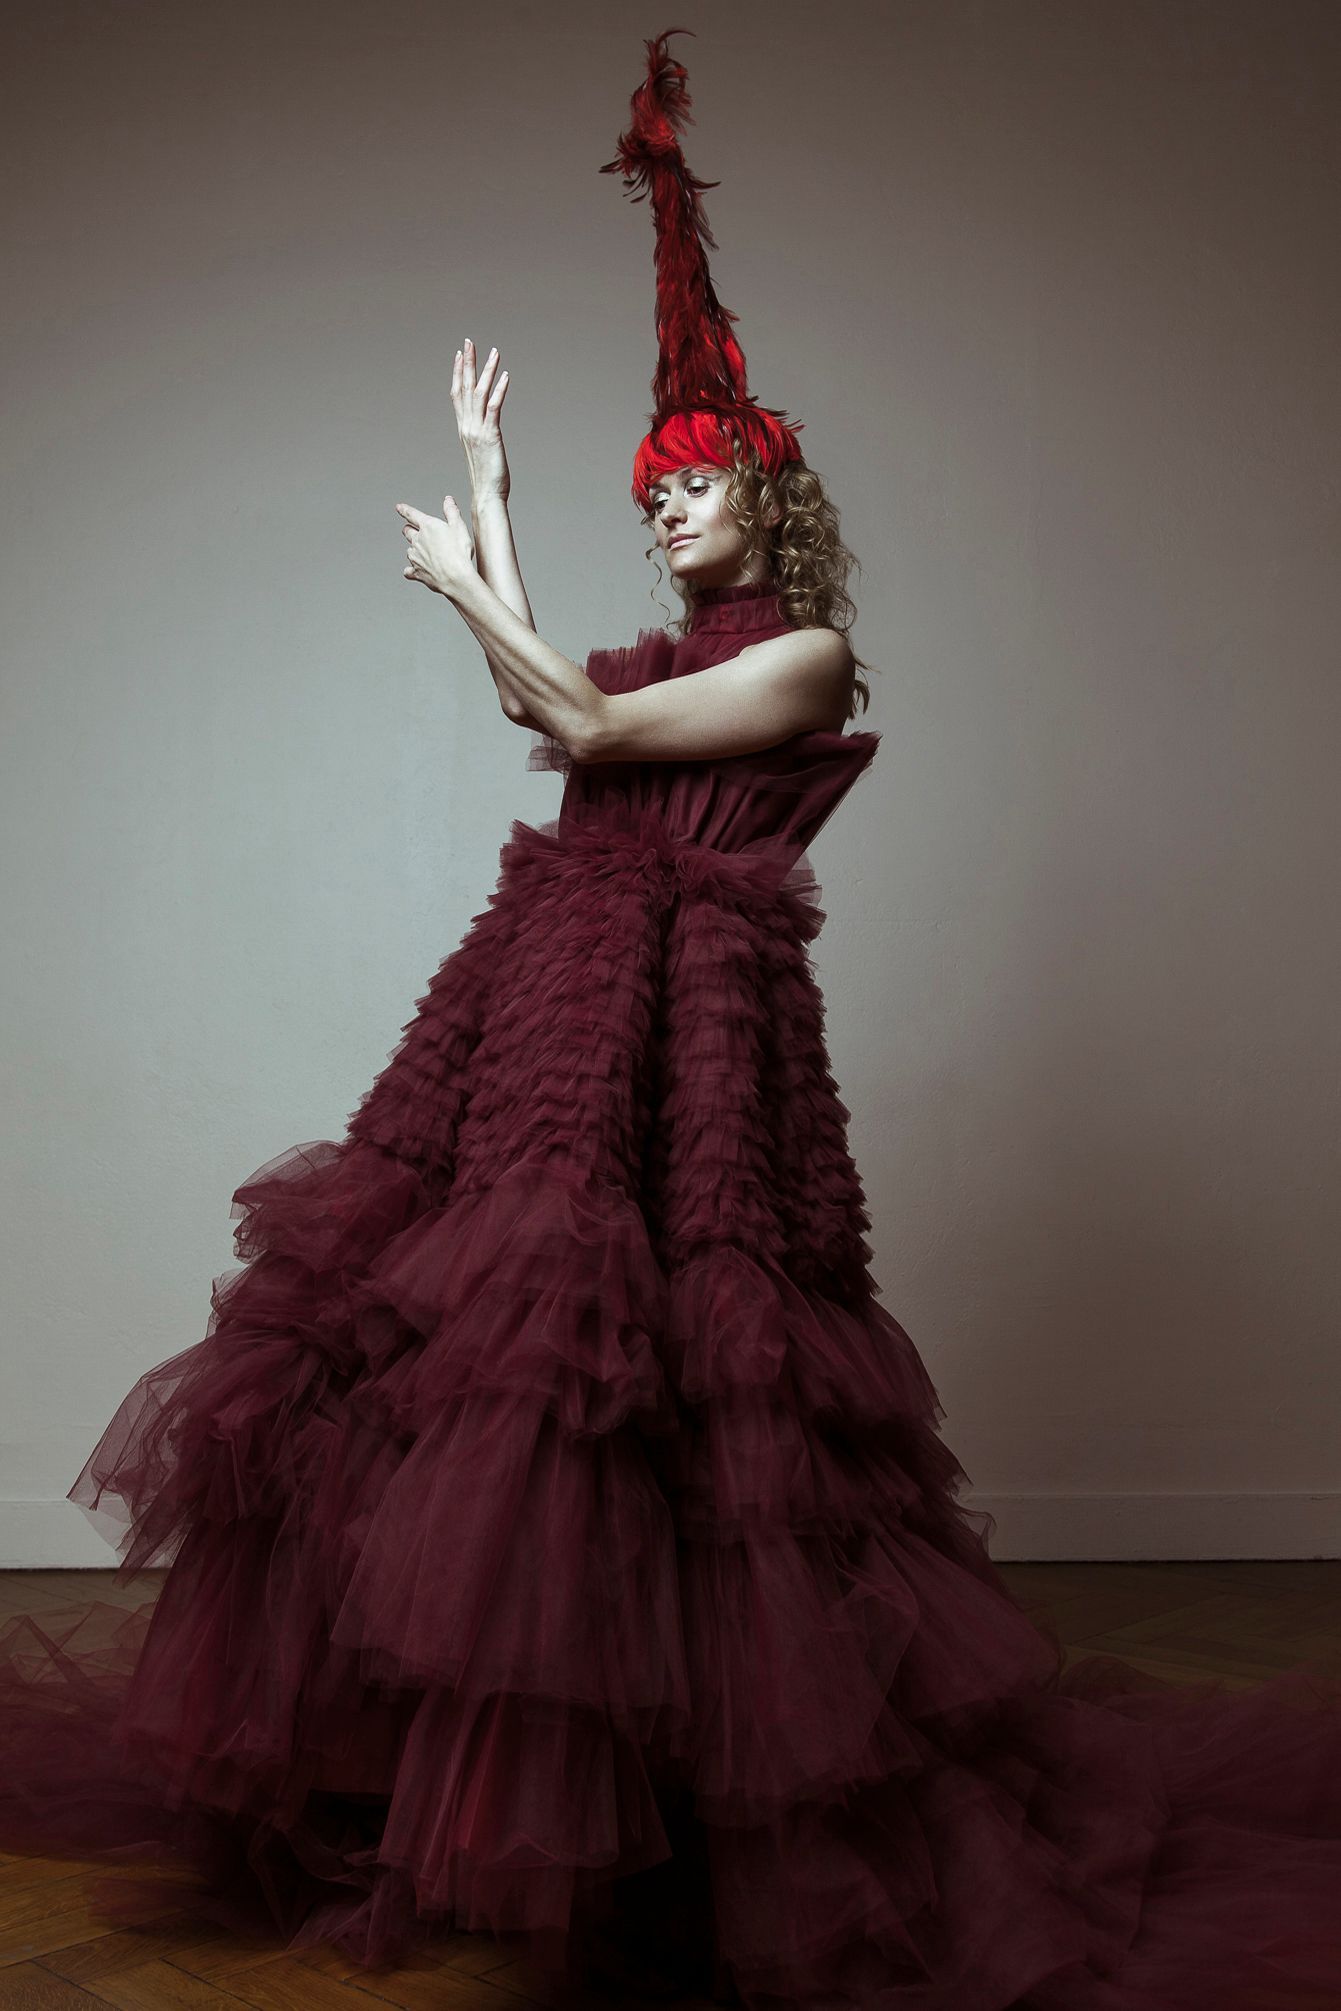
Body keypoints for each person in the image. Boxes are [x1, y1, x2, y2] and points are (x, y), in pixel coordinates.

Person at [4, 25, 1341, 2010]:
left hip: (693, 1031)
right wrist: (491, 491)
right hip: (545, 1001)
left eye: (698, 488)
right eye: (654, 497)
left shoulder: (800, 660)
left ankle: (701, 1821)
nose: (673, 514)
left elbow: (593, 726)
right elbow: (550, 704)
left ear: (771, 504)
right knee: (492, 1369)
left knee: (690, 1374)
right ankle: (449, 1794)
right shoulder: (667, 634)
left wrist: (468, 582)